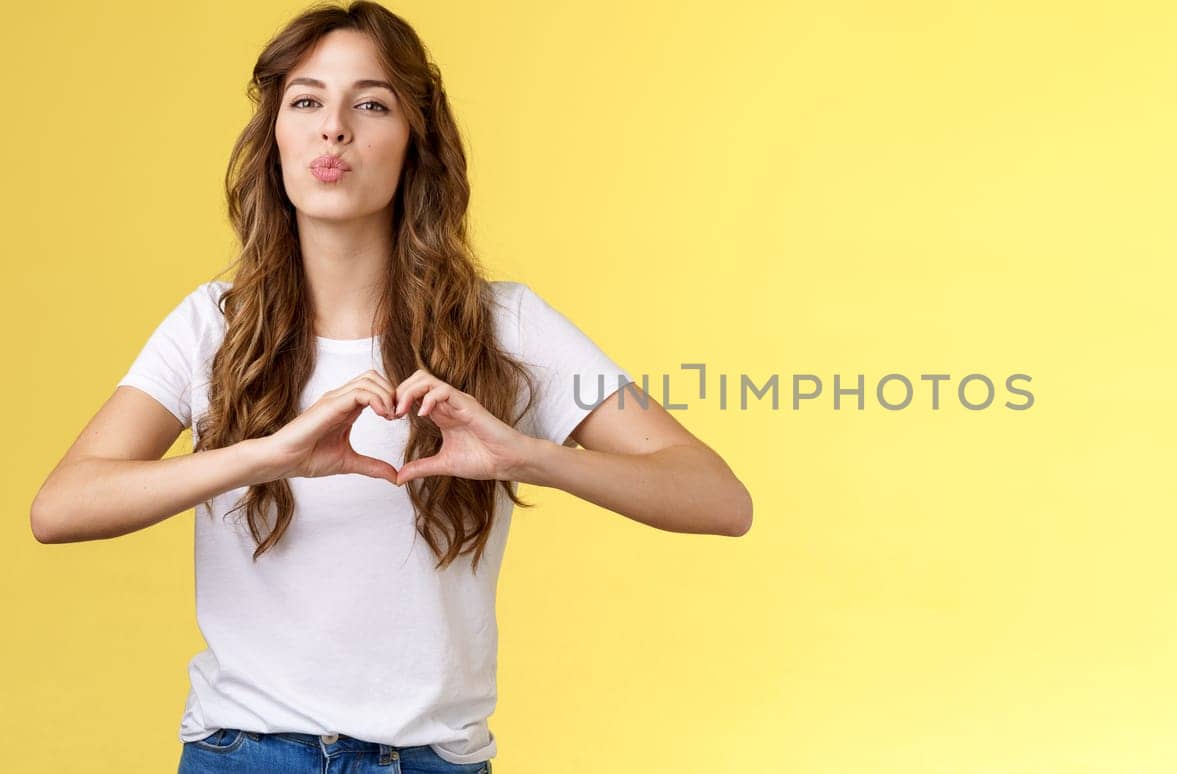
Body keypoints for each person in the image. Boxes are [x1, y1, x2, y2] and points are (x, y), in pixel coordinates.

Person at [27, 3, 753, 772]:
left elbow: (718, 498)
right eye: (306, 101)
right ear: (275, 135)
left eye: (370, 103)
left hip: (432, 760)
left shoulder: (509, 326)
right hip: (242, 754)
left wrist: (528, 457)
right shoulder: (210, 326)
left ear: (415, 142)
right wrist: (265, 454)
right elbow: (60, 508)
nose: (333, 127)